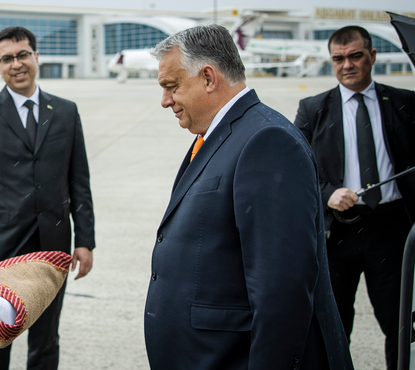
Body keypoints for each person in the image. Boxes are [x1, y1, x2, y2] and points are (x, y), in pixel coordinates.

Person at [143, 25, 353, 369]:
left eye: (172, 86)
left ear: (209, 77)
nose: (166, 100)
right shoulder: (221, 135)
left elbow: (282, 290)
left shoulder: (267, 141)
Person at [294, 25, 415, 370]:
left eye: (355, 56)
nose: (347, 65)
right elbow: (292, 171)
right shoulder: (313, 109)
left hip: (391, 230)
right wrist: (327, 193)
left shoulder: (403, 102)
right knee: (334, 324)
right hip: (338, 233)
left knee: (400, 323)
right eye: (338, 58)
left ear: (371, 57)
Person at [0, 26, 95, 370]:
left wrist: (86, 240)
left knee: (47, 336)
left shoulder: (65, 111)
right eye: (7, 58)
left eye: (23, 55)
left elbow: (79, 180)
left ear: (36, 57)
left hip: (53, 243)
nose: (16, 64)